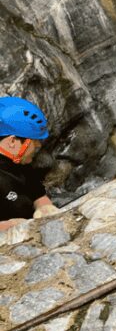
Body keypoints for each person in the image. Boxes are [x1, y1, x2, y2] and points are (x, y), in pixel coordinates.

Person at [0, 96, 58, 231]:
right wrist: (8, 226)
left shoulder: (21, 164)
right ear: (12, 141)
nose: (38, 145)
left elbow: (38, 195)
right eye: (33, 141)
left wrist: (44, 207)